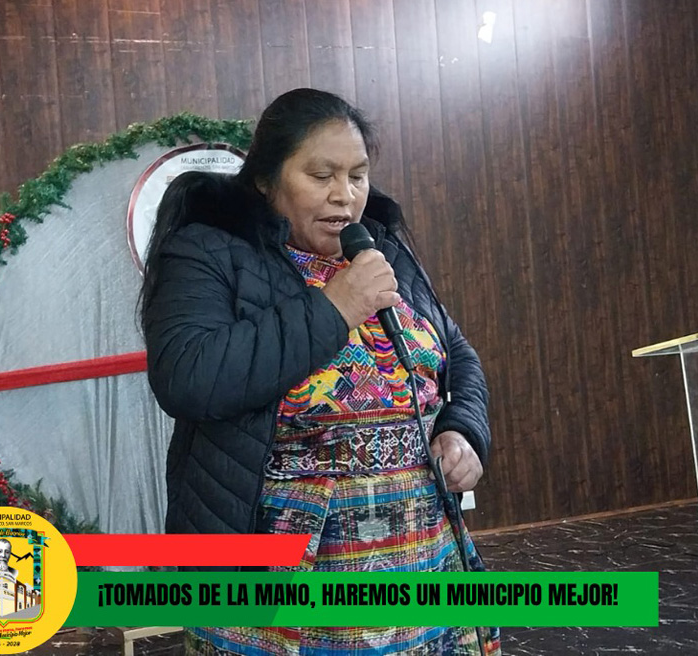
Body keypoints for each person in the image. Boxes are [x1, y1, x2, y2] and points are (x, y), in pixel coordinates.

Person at [141, 88, 500, 655]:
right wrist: (335, 307)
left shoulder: (380, 252)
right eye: (321, 175)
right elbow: (187, 377)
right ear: (266, 180)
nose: (345, 195)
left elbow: (457, 356)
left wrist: (463, 430)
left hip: (422, 555)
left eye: (358, 176)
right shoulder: (208, 251)